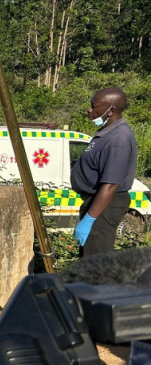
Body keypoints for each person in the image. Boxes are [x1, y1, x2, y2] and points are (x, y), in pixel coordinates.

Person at [71, 87, 138, 257]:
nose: (89, 109)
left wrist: (90, 219)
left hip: (104, 205)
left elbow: (111, 184)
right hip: (97, 203)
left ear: (111, 111)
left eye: (94, 106)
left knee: (95, 262)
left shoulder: (118, 139)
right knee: (88, 260)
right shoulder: (107, 132)